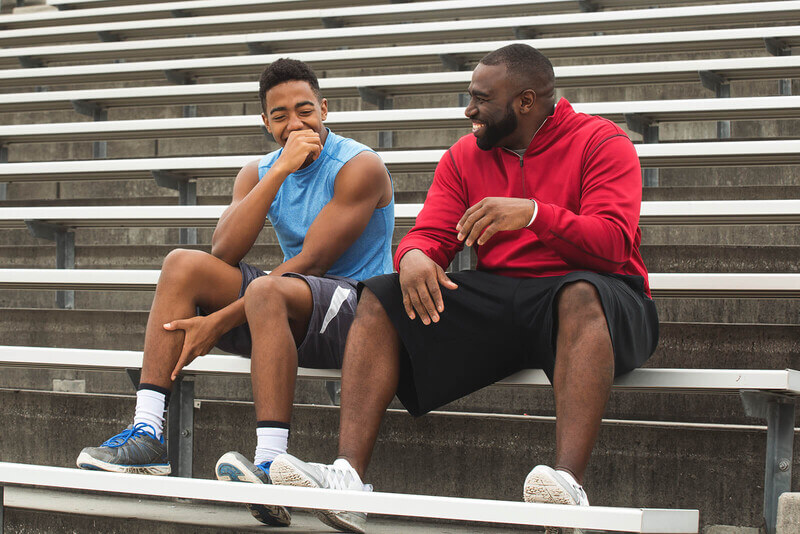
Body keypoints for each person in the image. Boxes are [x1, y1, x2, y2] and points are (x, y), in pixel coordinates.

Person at [268, 43, 658, 534]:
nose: (469, 110)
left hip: (605, 294)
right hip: (506, 294)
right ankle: (347, 480)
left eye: (480, 99)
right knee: (381, 296)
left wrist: (534, 213)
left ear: (525, 101)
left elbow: (614, 243)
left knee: (578, 293)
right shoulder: (464, 155)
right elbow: (430, 234)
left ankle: (568, 488)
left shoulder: (602, 142)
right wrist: (412, 258)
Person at [76, 58, 395, 527]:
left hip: (360, 312)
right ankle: (147, 432)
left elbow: (313, 263)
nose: (295, 123)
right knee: (182, 265)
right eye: (280, 115)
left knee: (267, 289)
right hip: (290, 302)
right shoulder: (261, 170)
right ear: (265, 123)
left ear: (325, 109)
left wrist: (220, 320)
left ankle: (269, 463)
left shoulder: (359, 165)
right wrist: (279, 171)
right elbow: (223, 248)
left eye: (305, 110)